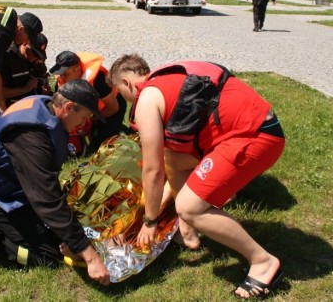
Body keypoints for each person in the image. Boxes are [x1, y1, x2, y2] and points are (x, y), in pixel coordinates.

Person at [109, 54, 285, 299]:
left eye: (120, 92)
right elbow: (168, 159)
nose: (126, 100)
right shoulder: (165, 78)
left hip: (254, 137)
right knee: (174, 160)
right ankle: (188, 233)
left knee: (189, 206)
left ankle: (263, 261)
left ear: (127, 83)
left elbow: (152, 169)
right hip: (255, 127)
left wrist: (150, 221)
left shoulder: (146, 99)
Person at [0, 80, 111, 286]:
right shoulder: (31, 138)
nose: (83, 124)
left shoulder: (45, 106)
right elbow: (46, 198)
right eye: (83, 117)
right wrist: (90, 255)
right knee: (46, 256)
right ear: (68, 108)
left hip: (12, 189)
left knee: (57, 238)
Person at [50, 50, 127, 151]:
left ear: (77, 69)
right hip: (88, 113)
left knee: (98, 146)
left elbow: (113, 107)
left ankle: (122, 130)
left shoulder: (99, 80)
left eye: (66, 73)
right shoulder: (61, 82)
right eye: (61, 74)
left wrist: (91, 119)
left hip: (111, 109)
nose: (62, 78)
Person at [0, 33, 50, 117]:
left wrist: (44, 86)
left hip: (29, 106)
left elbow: (43, 77)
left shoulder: (36, 60)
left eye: (39, 55)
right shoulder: (6, 57)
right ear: (25, 43)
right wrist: (25, 89)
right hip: (7, 108)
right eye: (34, 53)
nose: (36, 58)